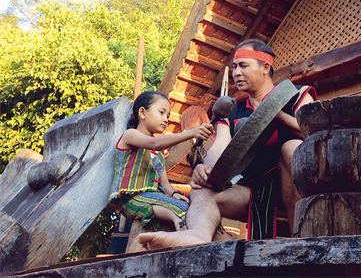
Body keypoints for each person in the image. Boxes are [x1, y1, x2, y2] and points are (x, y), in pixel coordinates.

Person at [138, 40, 316, 249]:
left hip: (297, 188)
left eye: (243, 65)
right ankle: (197, 234)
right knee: (202, 189)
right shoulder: (232, 111)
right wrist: (206, 170)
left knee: (292, 147)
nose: (236, 72)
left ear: (265, 67)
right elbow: (220, 145)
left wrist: (274, 115)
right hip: (251, 192)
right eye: (234, 67)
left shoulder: (297, 94)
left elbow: (315, 131)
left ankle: (301, 239)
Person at [109, 91, 214, 231]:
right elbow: (154, 143)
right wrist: (191, 133)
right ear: (142, 112)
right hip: (131, 198)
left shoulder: (158, 153)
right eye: (161, 112)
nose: (166, 119)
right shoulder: (130, 135)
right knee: (180, 211)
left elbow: (164, 183)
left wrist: (174, 194)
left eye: (168, 116)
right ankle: (184, 238)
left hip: (153, 197)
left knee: (191, 208)